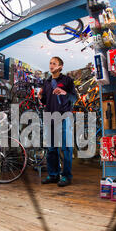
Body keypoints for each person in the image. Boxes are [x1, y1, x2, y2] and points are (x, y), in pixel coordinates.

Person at [38, 56, 75, 187]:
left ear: (60, 67)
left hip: (65, 116)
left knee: (66, 148)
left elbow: (74, 98)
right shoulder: (46, 82)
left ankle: (66, 176)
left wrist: (65, 92)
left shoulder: (67, 80)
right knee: (51, 148)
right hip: (50, 117)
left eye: (54, 63)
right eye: (50, 63)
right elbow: (45, 101)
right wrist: (41, 97)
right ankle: (53, 174)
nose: (51, 65)